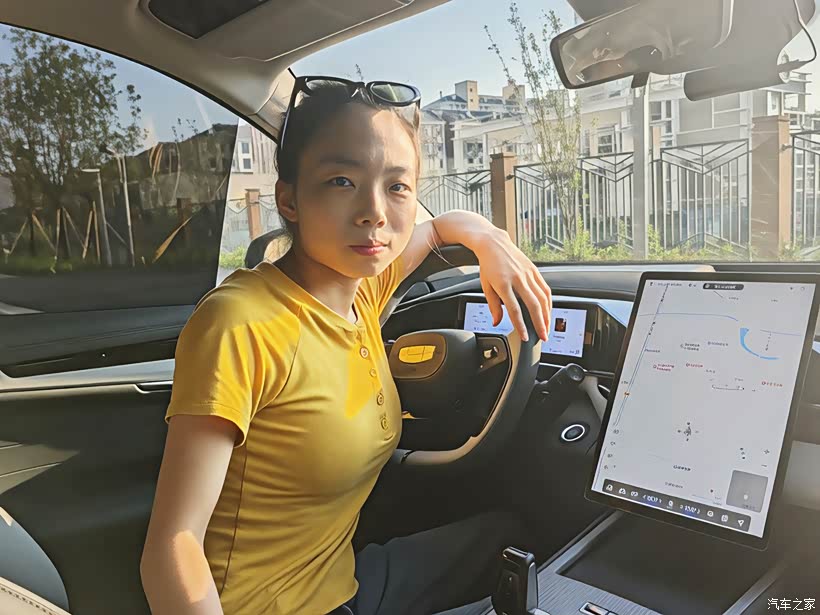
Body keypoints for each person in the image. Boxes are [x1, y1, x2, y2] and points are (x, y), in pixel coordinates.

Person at [140, 76, 553, 615]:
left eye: (397, 186)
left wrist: (491, 241)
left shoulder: (361, 292)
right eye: (341, 180)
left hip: (340, 582)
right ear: (288, 198)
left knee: (510, 535)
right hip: (264, 607)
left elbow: (436, 230)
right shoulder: (240, 322)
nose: (374, 211)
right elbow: (172, 547)